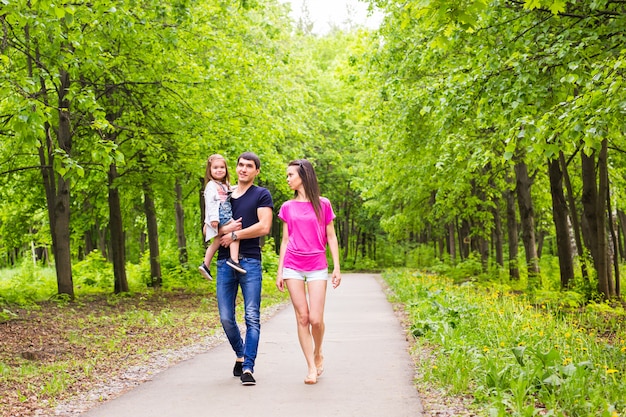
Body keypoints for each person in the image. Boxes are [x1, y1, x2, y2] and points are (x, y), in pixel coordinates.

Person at [275, 159, 341, 385]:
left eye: (290, 175)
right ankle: (311, 367)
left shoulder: (323, 204)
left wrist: (337, 267)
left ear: (303, 175)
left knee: (315, 319)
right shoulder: (287, 207)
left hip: (317, 266)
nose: (288, 179)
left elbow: (331, 236)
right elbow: (285, 240)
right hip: (292, 265)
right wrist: (280, 271)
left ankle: (318, 350)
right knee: (302, 317)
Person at [215, 152, 273, 386]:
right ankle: (240, 353)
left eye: (249, 166)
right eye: (240, 165)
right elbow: (208, 230)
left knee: (252, 317)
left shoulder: (261, 194)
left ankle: (248, 367)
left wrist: (235, 234)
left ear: (256, 171)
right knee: (226, 317)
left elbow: (264, 226)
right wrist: (224, 232)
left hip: (249, 261)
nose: (244, 169)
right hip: (223, 261)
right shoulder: (223, 195)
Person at [198, 154, 246, 280]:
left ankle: (205, 264)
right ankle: (234, 259)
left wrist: (241, 187)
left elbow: (232, 190)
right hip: (221, 216)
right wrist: (214, 218)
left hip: (222, 216)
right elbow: (211, 202)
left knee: (216, 242)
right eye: (215, 168)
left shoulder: (224, 185)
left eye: (222, 167)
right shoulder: (211, 186)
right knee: (236, 230)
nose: (219, 170)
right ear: (209, 171)